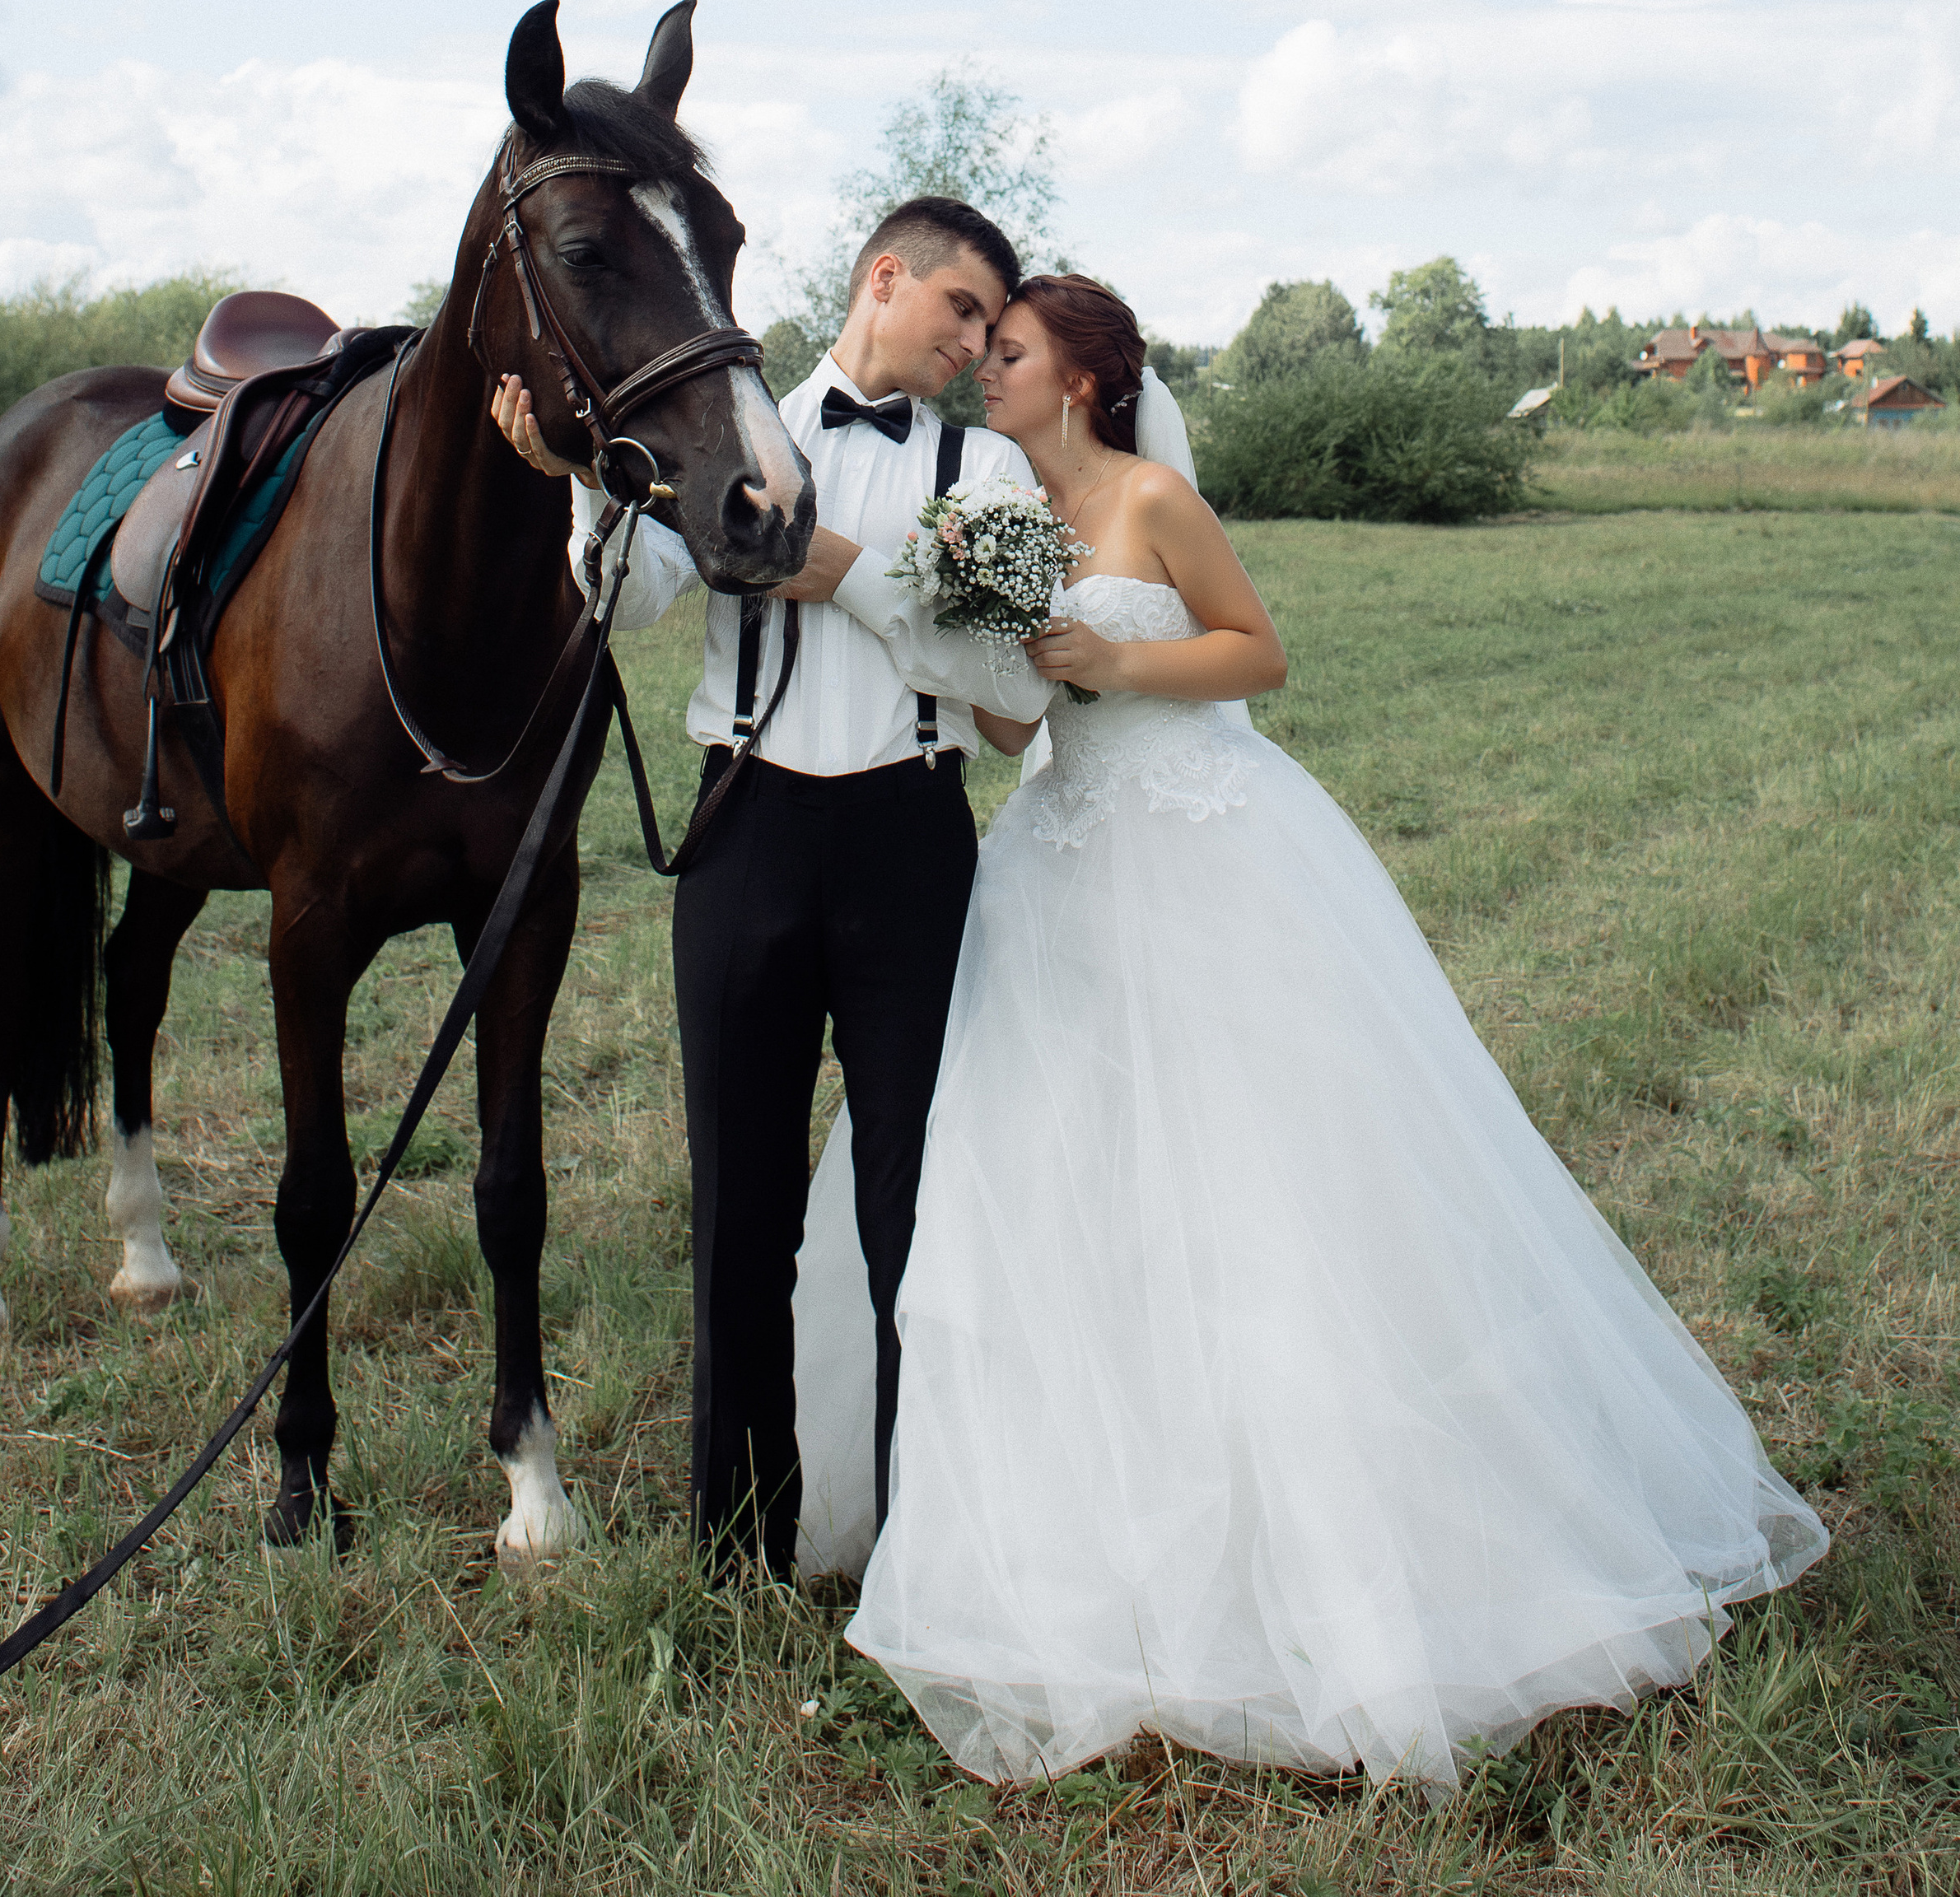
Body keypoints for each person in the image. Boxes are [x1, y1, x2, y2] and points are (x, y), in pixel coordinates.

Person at [790, 273, 1827, 1790]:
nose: (980, 371)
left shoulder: (1152, 499)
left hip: (1200, 847)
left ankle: (1333, 1546)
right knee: (1054, 1187)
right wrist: (991, 655)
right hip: (1056, 857)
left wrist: (1119, 662)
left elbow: (1255, 650)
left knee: (1258, 1192)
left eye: (1003, 353)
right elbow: (1019, 720)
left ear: (1076, 377)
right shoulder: (991, 509)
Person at [494, 197, 1049, 1574]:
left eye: (990, 325)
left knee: (911, 1210)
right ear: (885, 278)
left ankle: (936, 1548)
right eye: (962, 310)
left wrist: (842, 574)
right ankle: (741, 1541)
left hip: (915, 846)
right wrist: (581, 474)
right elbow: (631, 601)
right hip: (743, 837)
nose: (978, 345)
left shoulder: (989, 478)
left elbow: (1014, 690)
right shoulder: (730, 438)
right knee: (739, 1210)